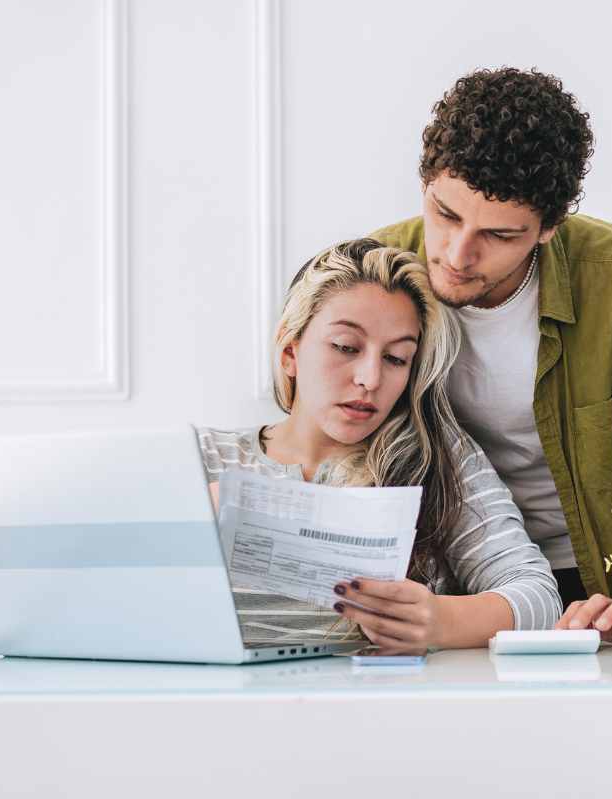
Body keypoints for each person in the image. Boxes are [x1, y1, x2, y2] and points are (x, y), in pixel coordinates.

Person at [371, 67, 612, 646]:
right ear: (425, 182)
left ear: (548, 229)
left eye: (499, 235)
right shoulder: (374, 276)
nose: (458, 254)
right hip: (445, 589)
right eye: (445, 214)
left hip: (601, 593)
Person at [200, 238, 560, 654]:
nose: (370, 379)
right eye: (346, 347)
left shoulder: (436, 460)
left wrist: (441, 622)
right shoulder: (205, 459)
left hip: (384, 710)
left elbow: (538, 596)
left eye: (396, 359)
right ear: (289, 352)